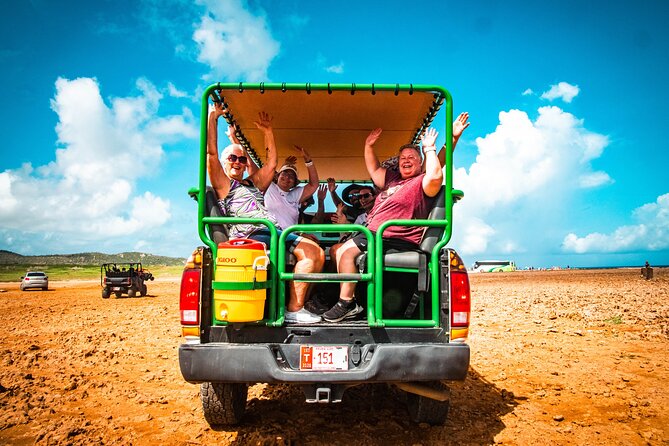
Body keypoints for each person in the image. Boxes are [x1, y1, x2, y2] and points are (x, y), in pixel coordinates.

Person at [207, 102, 324, 324]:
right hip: (251, 235)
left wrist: (268, 132)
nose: (238, 163)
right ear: (224, 162)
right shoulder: (224, 185)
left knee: (316, 253)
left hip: (273, 231)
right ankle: (293, 307)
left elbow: (271, 164)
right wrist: (213, 117)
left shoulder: (253, 184)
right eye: (232, 158)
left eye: (242, 159)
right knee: (308, 251)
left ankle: (295, 308)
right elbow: (211, 153)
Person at [322, 127, 443, 322]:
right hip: (374, 233)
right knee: (337, 251)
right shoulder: (393, 180)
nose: (406, 160)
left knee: (346, 252)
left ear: (421, 163)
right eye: (403, 157)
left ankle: (346, 303)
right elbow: (374, 169)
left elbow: (436, 175)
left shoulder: (421, 182)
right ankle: (346, 299)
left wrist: (430, 148)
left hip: (393, 236)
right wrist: (368, 145)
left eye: (412, 157)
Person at [264, 147, 319, 230]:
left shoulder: (294, 195)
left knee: (313, 243)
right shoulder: (269, 187)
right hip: (270, 234)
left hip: (289, 236)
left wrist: (308, 161)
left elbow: (313, 185)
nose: (287, 177)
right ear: (277, 176)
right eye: (284, 173)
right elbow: (268, 167)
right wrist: (284, 164)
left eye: (291, 176)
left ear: (294, 183)